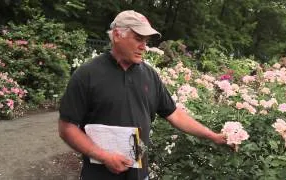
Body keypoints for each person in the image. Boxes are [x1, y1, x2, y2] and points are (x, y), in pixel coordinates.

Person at [58, 10, 226, 180]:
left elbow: (174, 114)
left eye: (145, 41)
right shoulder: (87, 74)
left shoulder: (150, 75)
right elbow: (67, 128)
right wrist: (103, 156)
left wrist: (212, 135)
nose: (143, 46)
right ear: (117, 35)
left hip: (140, 176)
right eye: (138, 39)